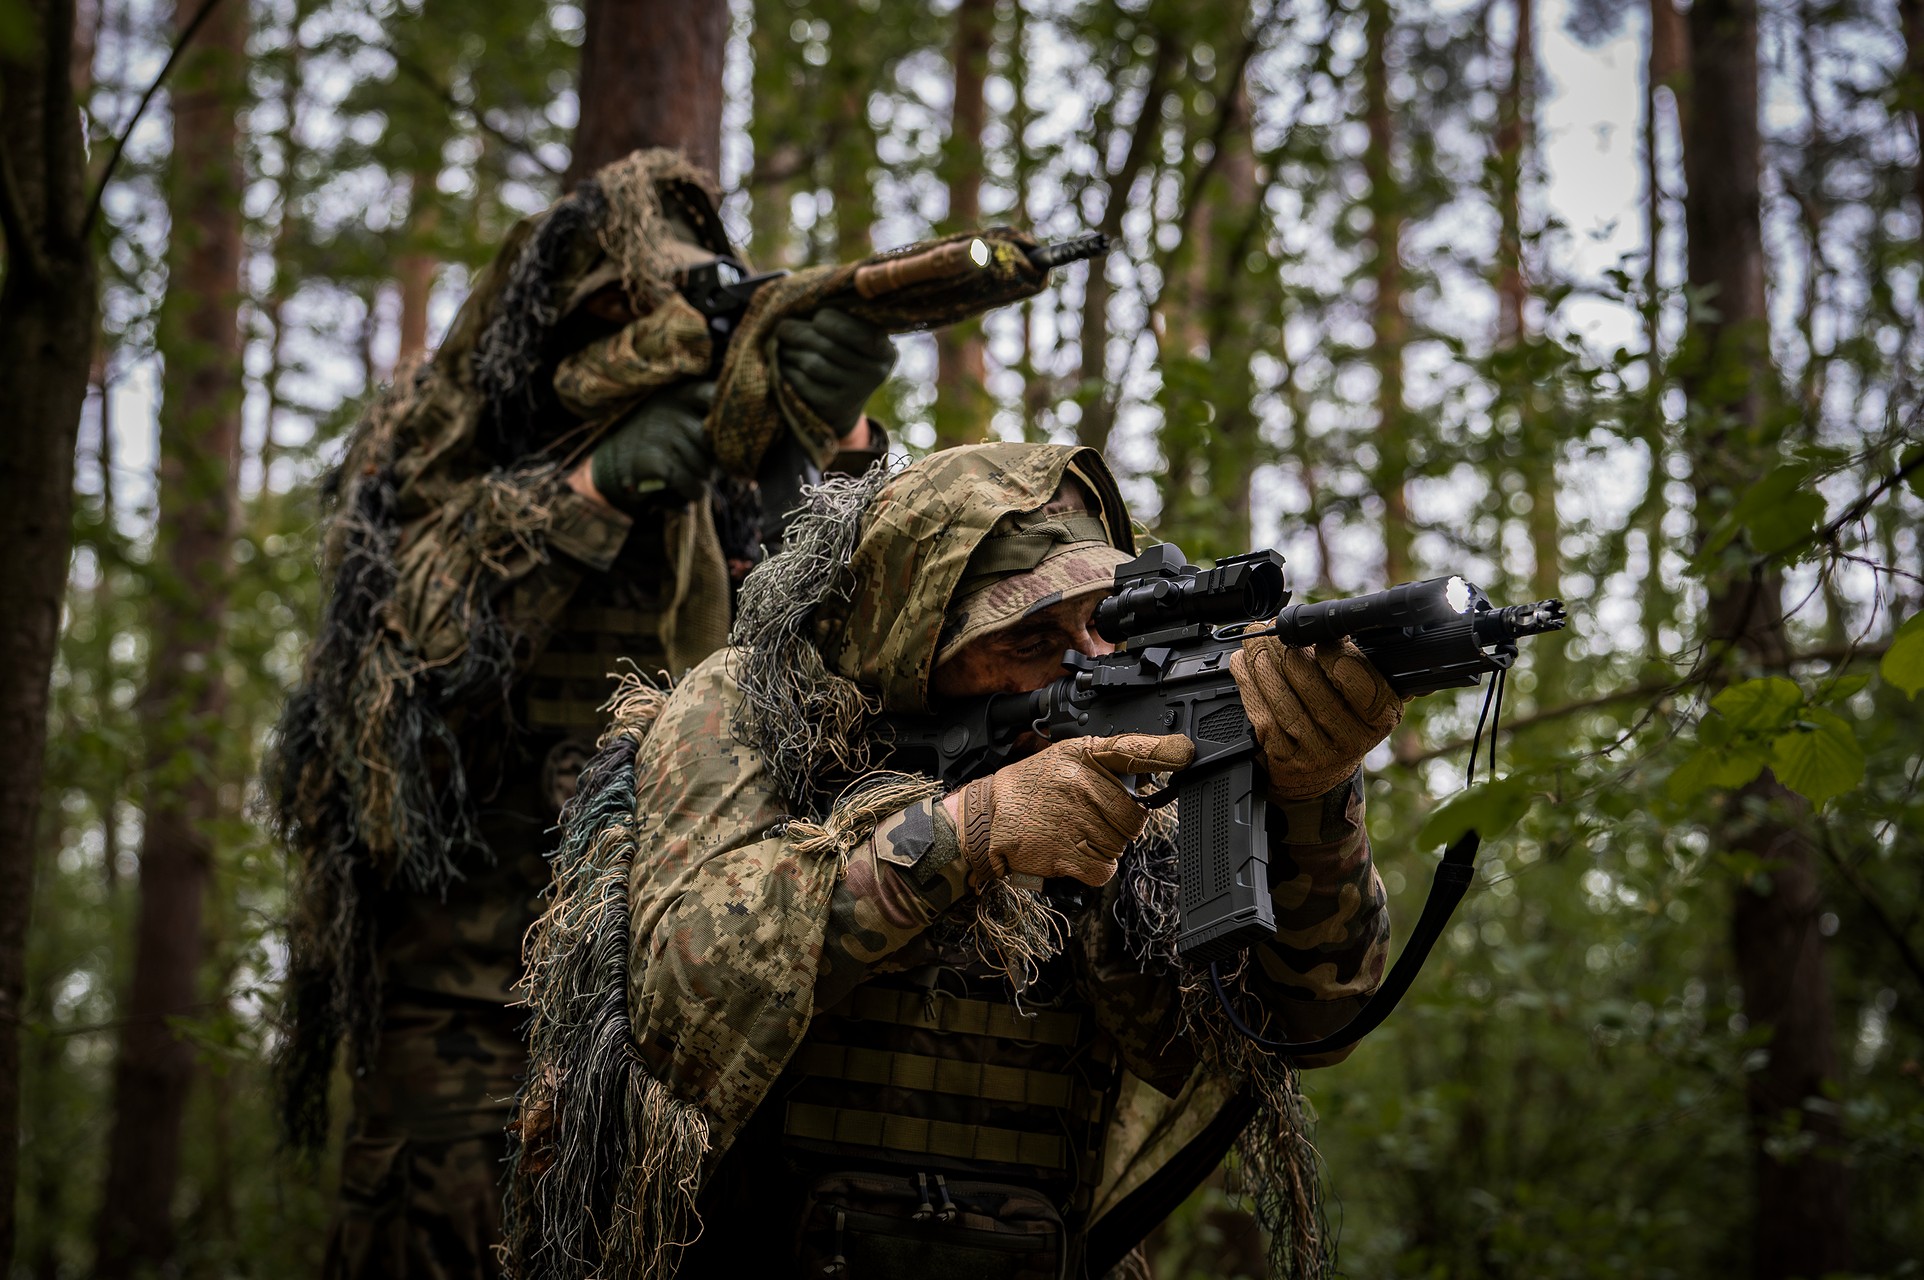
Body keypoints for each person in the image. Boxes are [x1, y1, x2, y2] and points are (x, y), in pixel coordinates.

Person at [506, 442, 1406, 1279]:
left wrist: (1312, 798)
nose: (1080, 666)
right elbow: (676, 1006)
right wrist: (967, 833)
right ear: (910, 639)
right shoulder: (750, 711)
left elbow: (1303, 1019)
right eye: (1023, 640)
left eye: (1099, 625)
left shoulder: (1131, 747)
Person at [266, 148, 896, 1279]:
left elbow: (854, 655)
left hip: (669, 1004)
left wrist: (835, 451)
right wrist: (589, 495)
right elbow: (395, 686)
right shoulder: (445, 437)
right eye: (619, 310)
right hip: (466, 1004)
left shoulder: (736, 448)